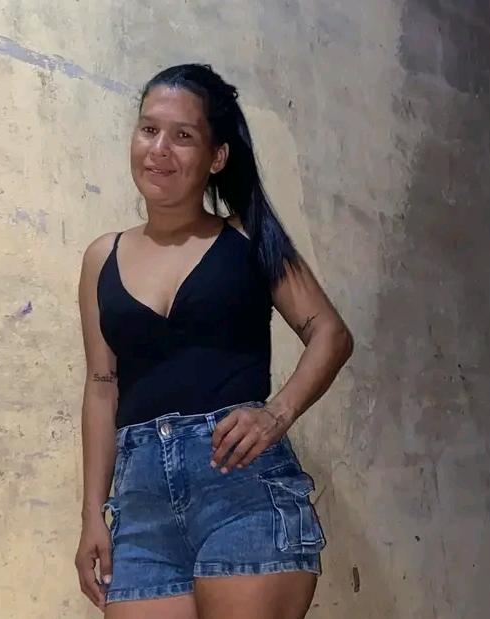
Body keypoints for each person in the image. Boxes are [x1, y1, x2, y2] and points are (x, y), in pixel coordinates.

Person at [74, 63, 353, 619]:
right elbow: (102, 387)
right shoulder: (101, 258)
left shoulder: (247, 239)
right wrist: (91, 516)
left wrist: (276, 415)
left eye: (183, 135)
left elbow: (330, 333)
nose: (159, 149)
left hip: (240, 489)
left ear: (216, 156)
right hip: (141, 507)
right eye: (149, 129)